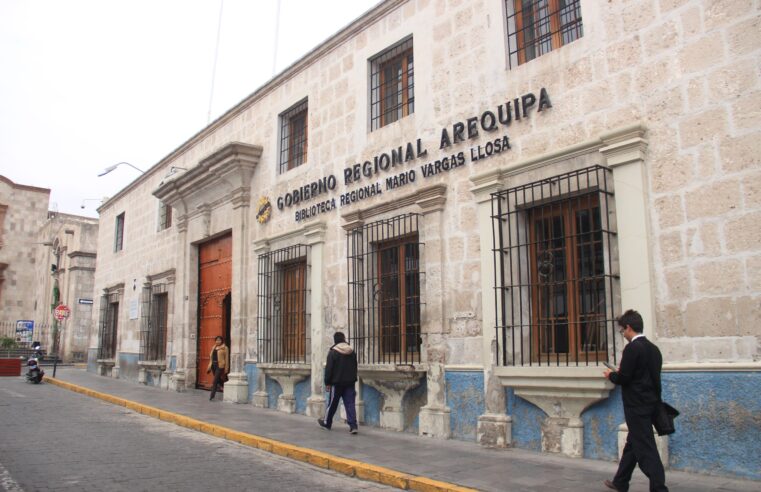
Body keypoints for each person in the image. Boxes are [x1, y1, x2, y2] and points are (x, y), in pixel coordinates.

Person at [603, 309, 668, 492]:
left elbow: (624, 378)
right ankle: (621, 481)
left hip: (636, 406)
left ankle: (659, 488)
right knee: (633, 444)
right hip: (650, 404)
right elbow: (649, 377)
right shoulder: (654, 349)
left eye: (622, 330)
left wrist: (611, 375)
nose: (623, 334)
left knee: (646, 449)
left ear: (629, 327)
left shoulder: (632, 348)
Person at [318, 331, 358, 434]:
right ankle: (353, 426)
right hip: (350, 382)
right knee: (350, 404)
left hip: (337, 383)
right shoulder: (351, 351)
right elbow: (355, 366)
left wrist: (327, 382)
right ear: (344, 338)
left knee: (332, 403)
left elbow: (329, 369)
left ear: (335, 340)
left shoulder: (333, 352)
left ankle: (327, 423)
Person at [206, 335, 229, 401]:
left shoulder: (225, 348)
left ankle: (212, 395)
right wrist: (209, 366)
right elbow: (211, 358)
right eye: (217, 340)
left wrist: (226, 368)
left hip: (220, 366)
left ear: (222, 341)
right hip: (213, 366)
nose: (218, 341)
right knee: (218, 379)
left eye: (219, 340)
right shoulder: (214, 347)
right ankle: (224, 386)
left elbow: (227, 358)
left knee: (215, 381)